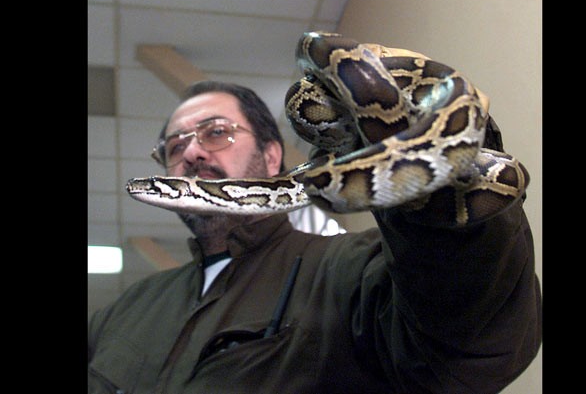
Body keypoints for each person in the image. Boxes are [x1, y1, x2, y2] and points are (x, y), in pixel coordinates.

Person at [88, 78, 542, 393]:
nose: (190, 152)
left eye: (216, 133)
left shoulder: (347, 267)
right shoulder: (123, 310)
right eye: (174, 145)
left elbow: (470, 349)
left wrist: (444, 193)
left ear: (272, 157)